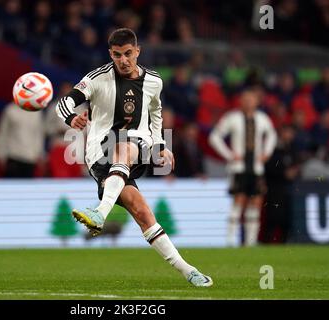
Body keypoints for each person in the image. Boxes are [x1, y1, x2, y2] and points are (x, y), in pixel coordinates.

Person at [56, 28, 212, 287]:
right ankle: (188, 270)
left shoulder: (153, 81)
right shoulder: (96, 79)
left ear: (137, 51)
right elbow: (65, 103)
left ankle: (99, 213)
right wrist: (72, 118)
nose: (123, 60)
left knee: (125, 146)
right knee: (142, 212)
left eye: (128, 54)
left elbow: (156, 114)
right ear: (111, 54)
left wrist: (161, 144)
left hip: (135, 144)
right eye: (117, 55)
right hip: (98, 155)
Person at [209, 88, 277, 247]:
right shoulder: (232, 118)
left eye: (251, 99)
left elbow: (272, 135)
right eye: (245, 99)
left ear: (257, 102)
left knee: (256, 202)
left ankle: (251, 242)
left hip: (256, 168)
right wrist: (229, 155)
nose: (248, 102)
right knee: (238, 201)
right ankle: (231, 240)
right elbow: (214, 137)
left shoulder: (262, 118)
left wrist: (266, 153)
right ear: (240, 101)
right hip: (238, 168)